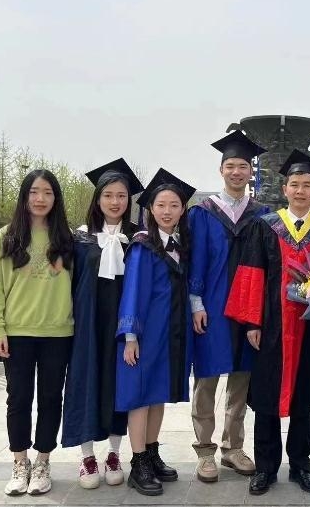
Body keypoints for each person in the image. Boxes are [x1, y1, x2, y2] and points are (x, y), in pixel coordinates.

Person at [224, 150, 310, 496]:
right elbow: (252, 274)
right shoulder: (265, 226)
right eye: (295, 184)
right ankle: (266, 467)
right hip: (272, 327)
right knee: (266, 398)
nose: (300, 190)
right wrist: (252, 323)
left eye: (307, 185)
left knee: (305, 398)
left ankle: (301, 465)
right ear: (285, 188)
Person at [0, 169, 74, 496]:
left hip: (58, 333)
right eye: (34, 192)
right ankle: (20, 463)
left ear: (56, 198)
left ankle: (43, 461)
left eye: (47, 192)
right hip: (17, 332)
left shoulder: (67, 239)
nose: (40, 198)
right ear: (24, 196)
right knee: (18, 398)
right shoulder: (6, 237)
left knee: (51, 398)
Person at [188, 131, 269, 482]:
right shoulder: (202, 213)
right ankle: (204, 450)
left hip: (248, 309)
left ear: (251, 172)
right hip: (212, 307)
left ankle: (233, 448)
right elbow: (195, 260)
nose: (237, 172)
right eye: (231, 165)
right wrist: (196, 302)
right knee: (206, 378)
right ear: (221, 170)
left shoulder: (262, 215)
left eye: (243, 166)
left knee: (241, 379)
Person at [61, 158, 144, 489]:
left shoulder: (138, 238)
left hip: (123, 325)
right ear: (97, 199)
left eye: (121, 195)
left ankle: (113, 453)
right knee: (86, 382)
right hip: (87, 325)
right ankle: (86, 457)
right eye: (108, 195)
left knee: (118, 384)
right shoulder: (79, 238)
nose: (115, 201)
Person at [115, 168, 196, 496]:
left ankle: (151, 452)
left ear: (182, 210)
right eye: (161, 205)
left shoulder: (180, 245)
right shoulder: (143, 246)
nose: (167, 211)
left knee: (158, 393)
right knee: (140, 397)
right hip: (145, 335)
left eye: (174, 205)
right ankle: (138, 463)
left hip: (170, 334)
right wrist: (130, 337)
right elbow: (133, 292)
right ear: (150, 209)